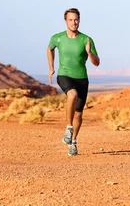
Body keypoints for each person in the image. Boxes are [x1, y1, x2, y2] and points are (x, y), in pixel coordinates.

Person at [47, 8, 100, 156]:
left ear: (79, 20)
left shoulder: (86, 39)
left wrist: (89, 52)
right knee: (72, 95)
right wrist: (51, 67)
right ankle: (69, 128)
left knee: (78, 114)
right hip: (64, 75)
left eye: (76, 19)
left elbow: (96, 63)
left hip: (82, 78)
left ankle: (73, 142)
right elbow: (50, 49)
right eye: (70, 20)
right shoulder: (57, 38)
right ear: (66, 21)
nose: (73, 22)